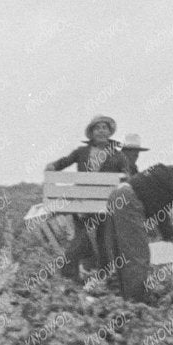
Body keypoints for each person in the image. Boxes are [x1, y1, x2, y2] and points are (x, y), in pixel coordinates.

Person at [106, 151, 173, 304]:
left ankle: (128, 299)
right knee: (137, 253)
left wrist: (172, 238)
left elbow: (160, 211)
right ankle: (137, 303)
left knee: (124, 252)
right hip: (128, 199)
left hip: (118, 195)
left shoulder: (170, 175)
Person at [48, 116, 129, 281]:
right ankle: (70, 274)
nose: (101, 131)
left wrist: (125, 179)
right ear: (92, 133)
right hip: (83, 202)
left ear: (109, 132)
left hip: (105, 203)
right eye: (97, 128)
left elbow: (126, 174)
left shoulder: (118, 155)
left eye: (104, 128)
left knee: (104, 240)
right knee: (82, 238)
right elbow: (64, 162)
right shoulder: (81, 152)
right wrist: (53, 166)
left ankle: (104, 275)